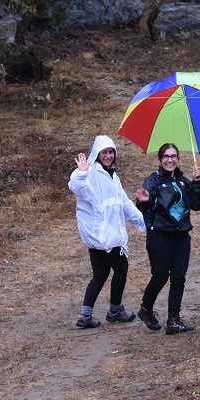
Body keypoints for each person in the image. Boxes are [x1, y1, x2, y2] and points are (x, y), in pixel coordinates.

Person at [68, 135, 146, 328]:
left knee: (100, 274)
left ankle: (85, 315)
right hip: (105, 237)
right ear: (97, 154)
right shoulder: (91, 173)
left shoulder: (112, 175)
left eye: (111, 152)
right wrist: (81, 172)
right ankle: (115, 310)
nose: (108, 156)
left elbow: (124, 203)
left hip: (98, 238)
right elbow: (76, 187)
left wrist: (144, 223)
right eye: (104, 152)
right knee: (121, 268)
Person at [134, 143, 200, 335]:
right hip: (159, 235)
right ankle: (146, 310)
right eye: (166, 156)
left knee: (178, 278)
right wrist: (143, 201)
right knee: (160, 276)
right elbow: (143, 205)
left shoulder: (183, 181)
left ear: (178, 160)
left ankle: (173, 320)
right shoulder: (153, 181)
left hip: (181, 235)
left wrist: (197, 183)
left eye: (174, 156)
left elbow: (197, 206)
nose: (170, 160)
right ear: (160, 159)